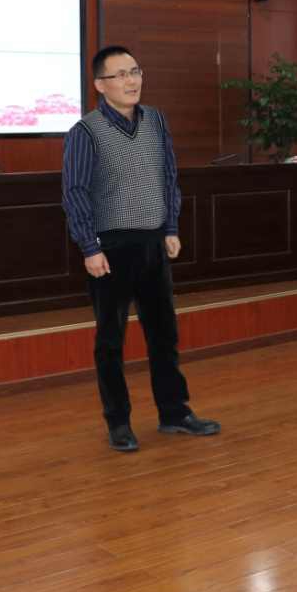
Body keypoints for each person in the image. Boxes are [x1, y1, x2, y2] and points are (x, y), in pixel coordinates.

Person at [62, 45, 220, 452]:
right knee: (111, 340)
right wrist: (89, 246)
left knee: (164, 334)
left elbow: (168, 175)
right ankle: (118, 422)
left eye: (135, 71)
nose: (131, 81)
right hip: (110, 248)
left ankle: (174, 412)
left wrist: (171, 226)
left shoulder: (156, 121)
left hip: (153, 241)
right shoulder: (86, 131)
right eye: (120, 75)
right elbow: (75, 192)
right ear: (100, 85)